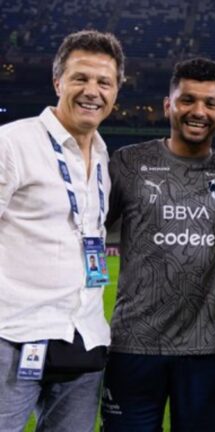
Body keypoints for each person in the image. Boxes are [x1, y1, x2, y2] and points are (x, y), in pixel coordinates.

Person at [101, 58, 215, 431]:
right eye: (187, 100)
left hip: (205, 349)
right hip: (133, 344)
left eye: (210, 103)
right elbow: (86, 229)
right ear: (168, 105)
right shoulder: (128, 163)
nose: (198, 111)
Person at [0, 29, 124, 430]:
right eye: (80, 78)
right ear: (58, 82)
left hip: (83, 339)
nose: (93, 91)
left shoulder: (104, 157)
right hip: (13, 335)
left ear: (116, 90)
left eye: (104, 82)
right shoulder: (12, 144)